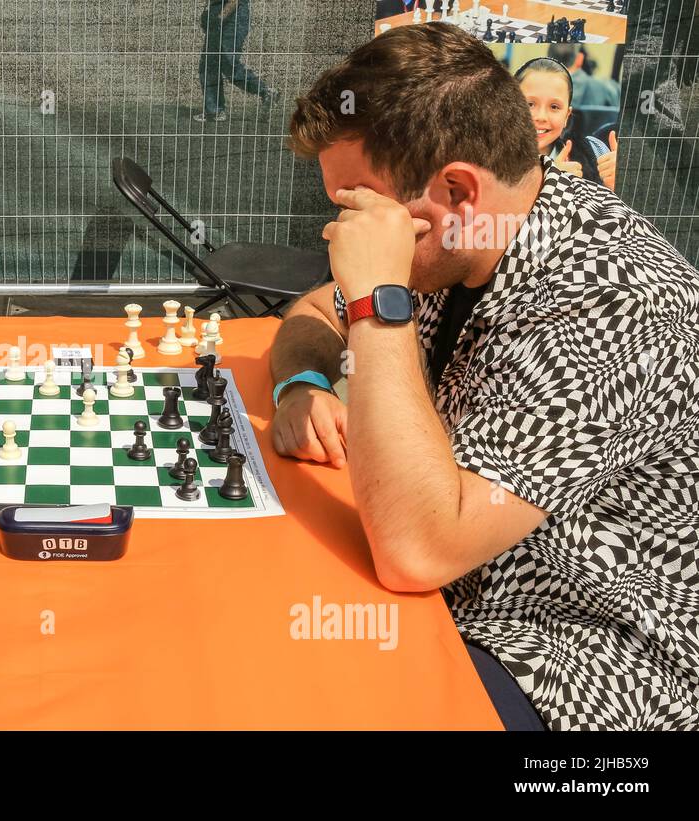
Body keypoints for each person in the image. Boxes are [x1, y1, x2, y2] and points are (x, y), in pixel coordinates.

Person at [276, 22, 698, 730]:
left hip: (588, 657)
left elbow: (418, 550)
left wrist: (378, 305)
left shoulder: (619, 298)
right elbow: (315, 310)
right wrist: (303, 385)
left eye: (355, 205)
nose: (336, 231)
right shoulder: (466, 237)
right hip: (466, 592)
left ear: (458, 190)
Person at [515, 56, 616, 190]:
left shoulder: (595, 154)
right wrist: (545, 183)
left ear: (567, 116)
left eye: (554, 107)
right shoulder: (486, 161)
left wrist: (616, 187)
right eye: (530, 104)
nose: (541, 117)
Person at [196, 0, 279, 122]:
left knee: (228, 63)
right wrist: (208, 12)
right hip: (219, 13)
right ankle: (213, 110)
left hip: (233, 16)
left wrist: (219, 19)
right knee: (209, 62)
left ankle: (265, 92)